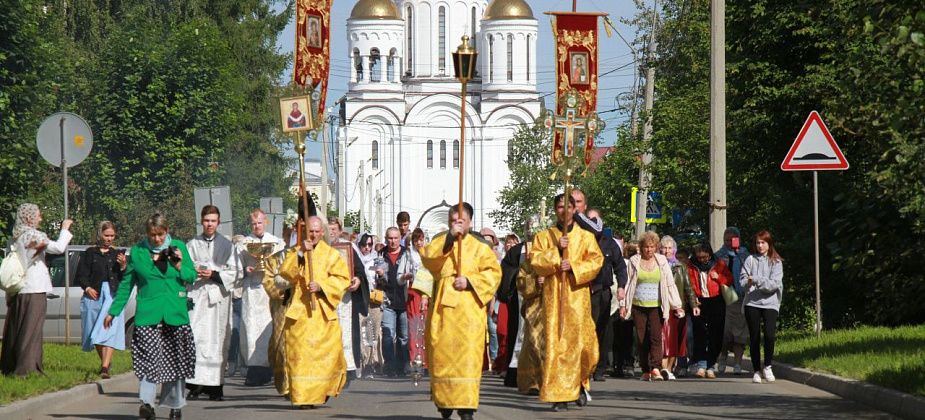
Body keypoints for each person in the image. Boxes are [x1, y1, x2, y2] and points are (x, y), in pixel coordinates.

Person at [105, 213, 196, 420]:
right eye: (153, 235)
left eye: (161, 234)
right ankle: (146, 403)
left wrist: (180, 265)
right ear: (147, 234)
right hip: (148, 315)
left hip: (175, 313)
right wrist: (114, 311)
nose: (157, 239)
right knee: (148, 360)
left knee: (175, 362)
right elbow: (127, 284)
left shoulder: (179, 247)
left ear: (167, 231)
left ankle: (175, 406)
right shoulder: (137, 252)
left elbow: (191, 276)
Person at [418, 202, 502, 420]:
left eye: (460, 221)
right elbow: (429, 260)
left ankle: (467, 408)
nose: (456, 225)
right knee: (443, 357)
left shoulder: (481, 246)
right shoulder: (440, 241)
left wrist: (471, 281)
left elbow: (494, 273)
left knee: (467, 361)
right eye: (452, 221)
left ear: (469, 222)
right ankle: (444, 403)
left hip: (469, 313)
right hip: (443, 313)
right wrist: (448, 239)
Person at [530, 193, 603, 411]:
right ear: (556, 210)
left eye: (568, 206)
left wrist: (573, 267)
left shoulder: (585, 237)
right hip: (554, 300)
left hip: (578, 299)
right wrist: (555, 252)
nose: (564, 210)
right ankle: (558, 394)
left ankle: (579, 383)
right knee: (557, 346)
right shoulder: (544, 237)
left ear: (575, 209)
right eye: (560, 207)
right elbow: (535, 260)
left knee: (583, 347)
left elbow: (596, 261)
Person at [277, 216, 351, 408]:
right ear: (305, 231)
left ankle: (321, 391)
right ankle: (303, 397)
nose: (315, 234)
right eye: (311, 231)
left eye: (318, 231)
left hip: (322, 313)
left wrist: (321, 286)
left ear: (323, 232)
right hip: (300, 313)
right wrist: (301, 254)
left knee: (327, 354)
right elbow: (286, 273)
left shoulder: (331, 254)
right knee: (301, 356)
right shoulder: (297, 251)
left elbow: (343, 279)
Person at [1, 204, 73, 376]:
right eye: (38, 215)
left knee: (17, 328)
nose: (40, 219)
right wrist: (65, 229)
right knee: (31, 330)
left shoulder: (16, 236)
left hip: (20, 289)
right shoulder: (32, 235)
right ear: (29, 217)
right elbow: (58, 248)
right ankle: (27, 369)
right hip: (34, 288)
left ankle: (10, 365)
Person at [185, 205, 241, 401]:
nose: (209, 224)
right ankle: (195, 384)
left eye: (213, 221)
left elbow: (235, 272)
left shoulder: (227, 245)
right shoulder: (192, 244)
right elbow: (184, 268)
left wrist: (215, 274)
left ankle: (216, 386)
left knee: (217, 341)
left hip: (218, 299)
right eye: (207, 220)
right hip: (198, 296)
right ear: (202, 221)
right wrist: (195, 272)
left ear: (218, 222)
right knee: (196, 338)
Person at [620, 232, 684, 382]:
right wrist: (623, 305)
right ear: (641, 248)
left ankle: (655, 367)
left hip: (656, 306)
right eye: (646, 247)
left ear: (656, 247)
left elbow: (669, 284)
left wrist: (676, 305)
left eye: (652, 247)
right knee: (642, 339)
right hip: (638, 306)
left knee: (656, 337)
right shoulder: (634, 261)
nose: (648, 250)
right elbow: (628, 284)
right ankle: (645, 370)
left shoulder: (661, 261)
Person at [240, 209, 286, 386]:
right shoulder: (244, 244)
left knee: (268, 331)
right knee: (250, 330)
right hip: (251, 290)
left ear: (265, 222)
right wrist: (246, 270)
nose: (256, 226)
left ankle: (268, 369)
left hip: (268, 291)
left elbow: (282, 267)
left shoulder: (276, 243)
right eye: (253, 223)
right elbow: (236, 267)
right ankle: (253, 371)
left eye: (259, 223)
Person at [76, 221, 126, 379]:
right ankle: (105, 361)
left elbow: (124, 278)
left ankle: (105, 367)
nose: (109, 238)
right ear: (100, 235)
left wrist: (124, 265)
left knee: (108, 328)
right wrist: (87, 287)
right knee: (94, 332)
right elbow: (81, 274)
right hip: (94, 294)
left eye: (112, 235)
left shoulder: (117, 254)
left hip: (112, 295)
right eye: (106, 235)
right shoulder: (90, 253)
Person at [584, 209, 625, 382]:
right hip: (584, 291)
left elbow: (620, 267)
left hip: (603, 293)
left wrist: (622, 286)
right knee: (586, 330)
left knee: (603, 329)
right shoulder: (582, 241)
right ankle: (585, 367)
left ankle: (600, 368)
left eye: (596, 219)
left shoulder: (610, 244)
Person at [741, 230, 783, 384]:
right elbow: (743, 281)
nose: (760, 245)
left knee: (770, 335)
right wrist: (748, 282)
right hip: (752, 303)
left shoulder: (776, 261)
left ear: (769, 244)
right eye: (758, 243)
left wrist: (757, 279)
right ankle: (756, 370)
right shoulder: (750, 260)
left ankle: (768, 366)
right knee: (754, 337)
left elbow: (773, 284)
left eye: (763, 242)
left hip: (770, 303)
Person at [687, 241, 733, 378]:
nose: (702, 260)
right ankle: (701, 364)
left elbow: (729, 280)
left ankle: (711, 364)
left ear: (710, 255)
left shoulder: (719, 264)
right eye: (699, 257)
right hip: (699, 301)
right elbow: (689, 283)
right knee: (699, 333)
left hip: (716, 300)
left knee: (716, 333)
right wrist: (693, 298)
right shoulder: (691, 266)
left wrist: (718, 277)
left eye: (705, 257)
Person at [328, 217, 366, 382]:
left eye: (334, 229)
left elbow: (359, 270)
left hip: (345, 299)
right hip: (326, 297)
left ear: (339, 230)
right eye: (328, 229)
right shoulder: (320, 248)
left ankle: (348, 367)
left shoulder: (348, 247)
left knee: (345, 331)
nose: (331, 233)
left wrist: (357, 279)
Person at [659, 236, 698, 380]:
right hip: (661, 306)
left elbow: (688, 287)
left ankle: (669, 369)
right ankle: (662, 368)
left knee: (675, 340)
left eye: (670, 248)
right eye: (664, 247)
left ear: (674, 250)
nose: (667, 251)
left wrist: (693, 305)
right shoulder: (656, 264)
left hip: (677, 307)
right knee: (663, 338)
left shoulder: (680, 267)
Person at [377, 227, 414, 377]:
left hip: (404, 299)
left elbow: (415, 272)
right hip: (388, 300)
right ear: (386, 239)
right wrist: (379, 275)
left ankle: (403, 365)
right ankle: (390, 366)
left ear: (400, 238)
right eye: (390, 238)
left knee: (403, 336)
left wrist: (408, 276)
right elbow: (378, 279)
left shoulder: (406, 253)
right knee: (387, 334)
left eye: (395, 238)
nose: (392, 241)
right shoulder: (381, 254)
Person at [716, 227, 751, 374]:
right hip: (723, 298)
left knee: (740, 333)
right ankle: (723, 357)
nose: (729, 242)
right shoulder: (718, 255)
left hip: (740, 297)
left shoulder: (744, 254)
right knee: (724, 332)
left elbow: (749, 272)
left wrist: (739, 254)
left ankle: (738, 362)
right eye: (727, 240)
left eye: (733, 239)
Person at [514, 236, 544, 395]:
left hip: (552, 307)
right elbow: (520, 282)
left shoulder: (554, 260)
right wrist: (534, 280)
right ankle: (532, 381)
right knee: (533, 342)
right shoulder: (527, 265)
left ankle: (548, 381)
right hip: (533, 308)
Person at [356, 233, 385, 378]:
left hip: (374, 299)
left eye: (369, 245)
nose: (367, 248)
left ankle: (371, 364)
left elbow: (385, 280)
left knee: (373, 332)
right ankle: (362, 362)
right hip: (361, 299)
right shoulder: (356, 259)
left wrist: (381, 275)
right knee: (362, 332)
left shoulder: (377, 259)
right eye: (364, 245)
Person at [610, 240, 637, 378]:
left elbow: (629, 285)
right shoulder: (615, 263)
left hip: (626, 304)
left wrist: (624, 304)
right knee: (617, 337)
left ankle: (627, 364)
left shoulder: (628, 265)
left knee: (626, 336)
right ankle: (617, 365)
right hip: (613, 303)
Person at [407, 228, 429, 377]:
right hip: (413, 291)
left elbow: (429, 275)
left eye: (420, 240)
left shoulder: (428, 255)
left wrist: (425, 296)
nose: (418, 243)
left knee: (425, 327)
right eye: (416, 240)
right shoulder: (410, 254)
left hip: (425, 291)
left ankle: (426, 362)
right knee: (414, 328)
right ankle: (414, 361)